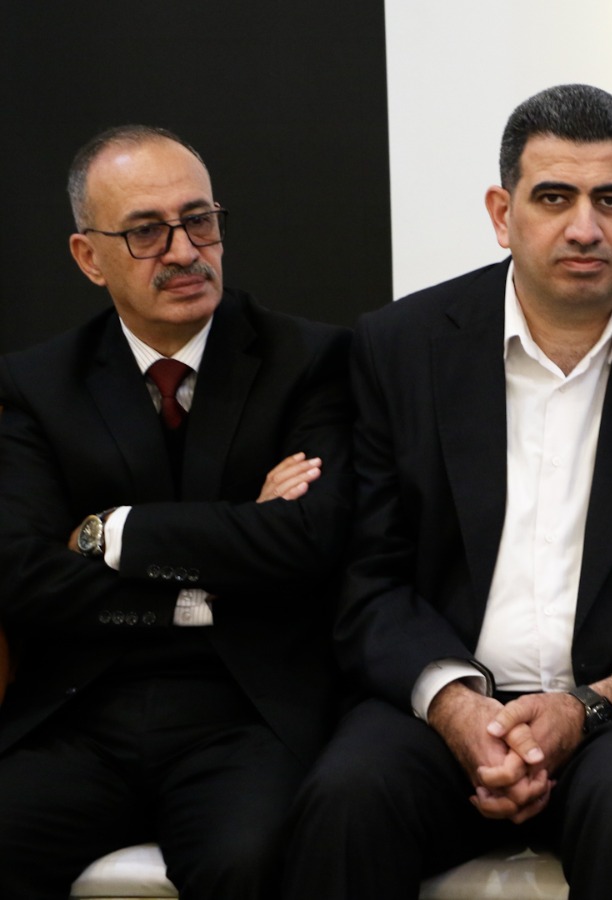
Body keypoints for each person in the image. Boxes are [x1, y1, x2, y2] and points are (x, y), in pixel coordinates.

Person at [282, 84, 612, 899]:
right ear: (501, 213)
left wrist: (595, 706)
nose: (584, 227)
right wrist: (457, 708)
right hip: (447, 703)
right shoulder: (402, 347)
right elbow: (370, 581)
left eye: (610, 200)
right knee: (348, 797)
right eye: (553, 198)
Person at [0, 125, 352, 899]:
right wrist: (215, 571)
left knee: (246, 861)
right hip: (81, 711)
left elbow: (305, 540)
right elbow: (22, 577)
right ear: (88, 256)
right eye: (146, 232)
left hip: (247, 713)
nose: (185, 251)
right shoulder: (36, 385)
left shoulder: (310, 361)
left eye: (199, 220)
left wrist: (110, 531)